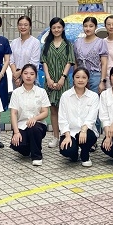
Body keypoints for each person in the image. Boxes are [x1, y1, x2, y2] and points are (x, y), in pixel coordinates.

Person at [41, 17, 75, 148]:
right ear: (51, 29)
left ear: (63, 28)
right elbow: (44, 62)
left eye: (59, 27)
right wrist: (48, 78)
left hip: (63, 81)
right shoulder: (46, 44)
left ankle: (65, 135)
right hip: (49, 81)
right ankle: (55, 136)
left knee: (64, 110)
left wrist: (63, 78)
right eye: (54, 27)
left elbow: (69, 62)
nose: (56, 30)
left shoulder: (68, 45)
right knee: (53, 110)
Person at [9, 64, 51, 166]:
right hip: (21, 126)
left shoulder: (41, 92)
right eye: (26, 73)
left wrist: (35, 118)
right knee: (18, 146)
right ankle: (31, 147)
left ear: (36, 76)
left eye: (32, 74)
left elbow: (45, 112)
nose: (28, 76)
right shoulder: (16, 93)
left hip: (38, 125)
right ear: (21, 75)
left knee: (33, 127)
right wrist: (16, 132)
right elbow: (13, 113)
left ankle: (37, 156)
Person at [57, 67, 99, 167]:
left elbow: (91, 118)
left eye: (84, 77)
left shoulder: (93, 96)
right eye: (77, 77)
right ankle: (75, 154)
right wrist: (67, 136)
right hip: (70, 132)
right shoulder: (65, 96)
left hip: (86, 131)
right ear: (73, 79)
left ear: (88, 79)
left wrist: (83, 130)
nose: (80, 80)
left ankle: (85, 154)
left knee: (89, 136)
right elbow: (62, 118)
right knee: (67, 150)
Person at [73, 16, 108, 94]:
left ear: (96, 27)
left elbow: (104, 63)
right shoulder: (77, 42)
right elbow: (75, 62)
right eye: (85, 26)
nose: (88, 28)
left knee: (94, 99)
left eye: (91, 26)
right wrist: (75, 77)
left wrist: (102, 81)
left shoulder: (101, 42)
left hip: (95, 76)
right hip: (80, 76)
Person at [9, 15, 41, 88]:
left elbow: (33, 62)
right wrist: (15, 75)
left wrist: (19, 74)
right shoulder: (14, 42)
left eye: (26, 25)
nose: (23, 27)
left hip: (30, 78)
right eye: (20, 25)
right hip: (16, 80)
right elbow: (11, 61)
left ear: (30, 27)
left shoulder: (35, 42)